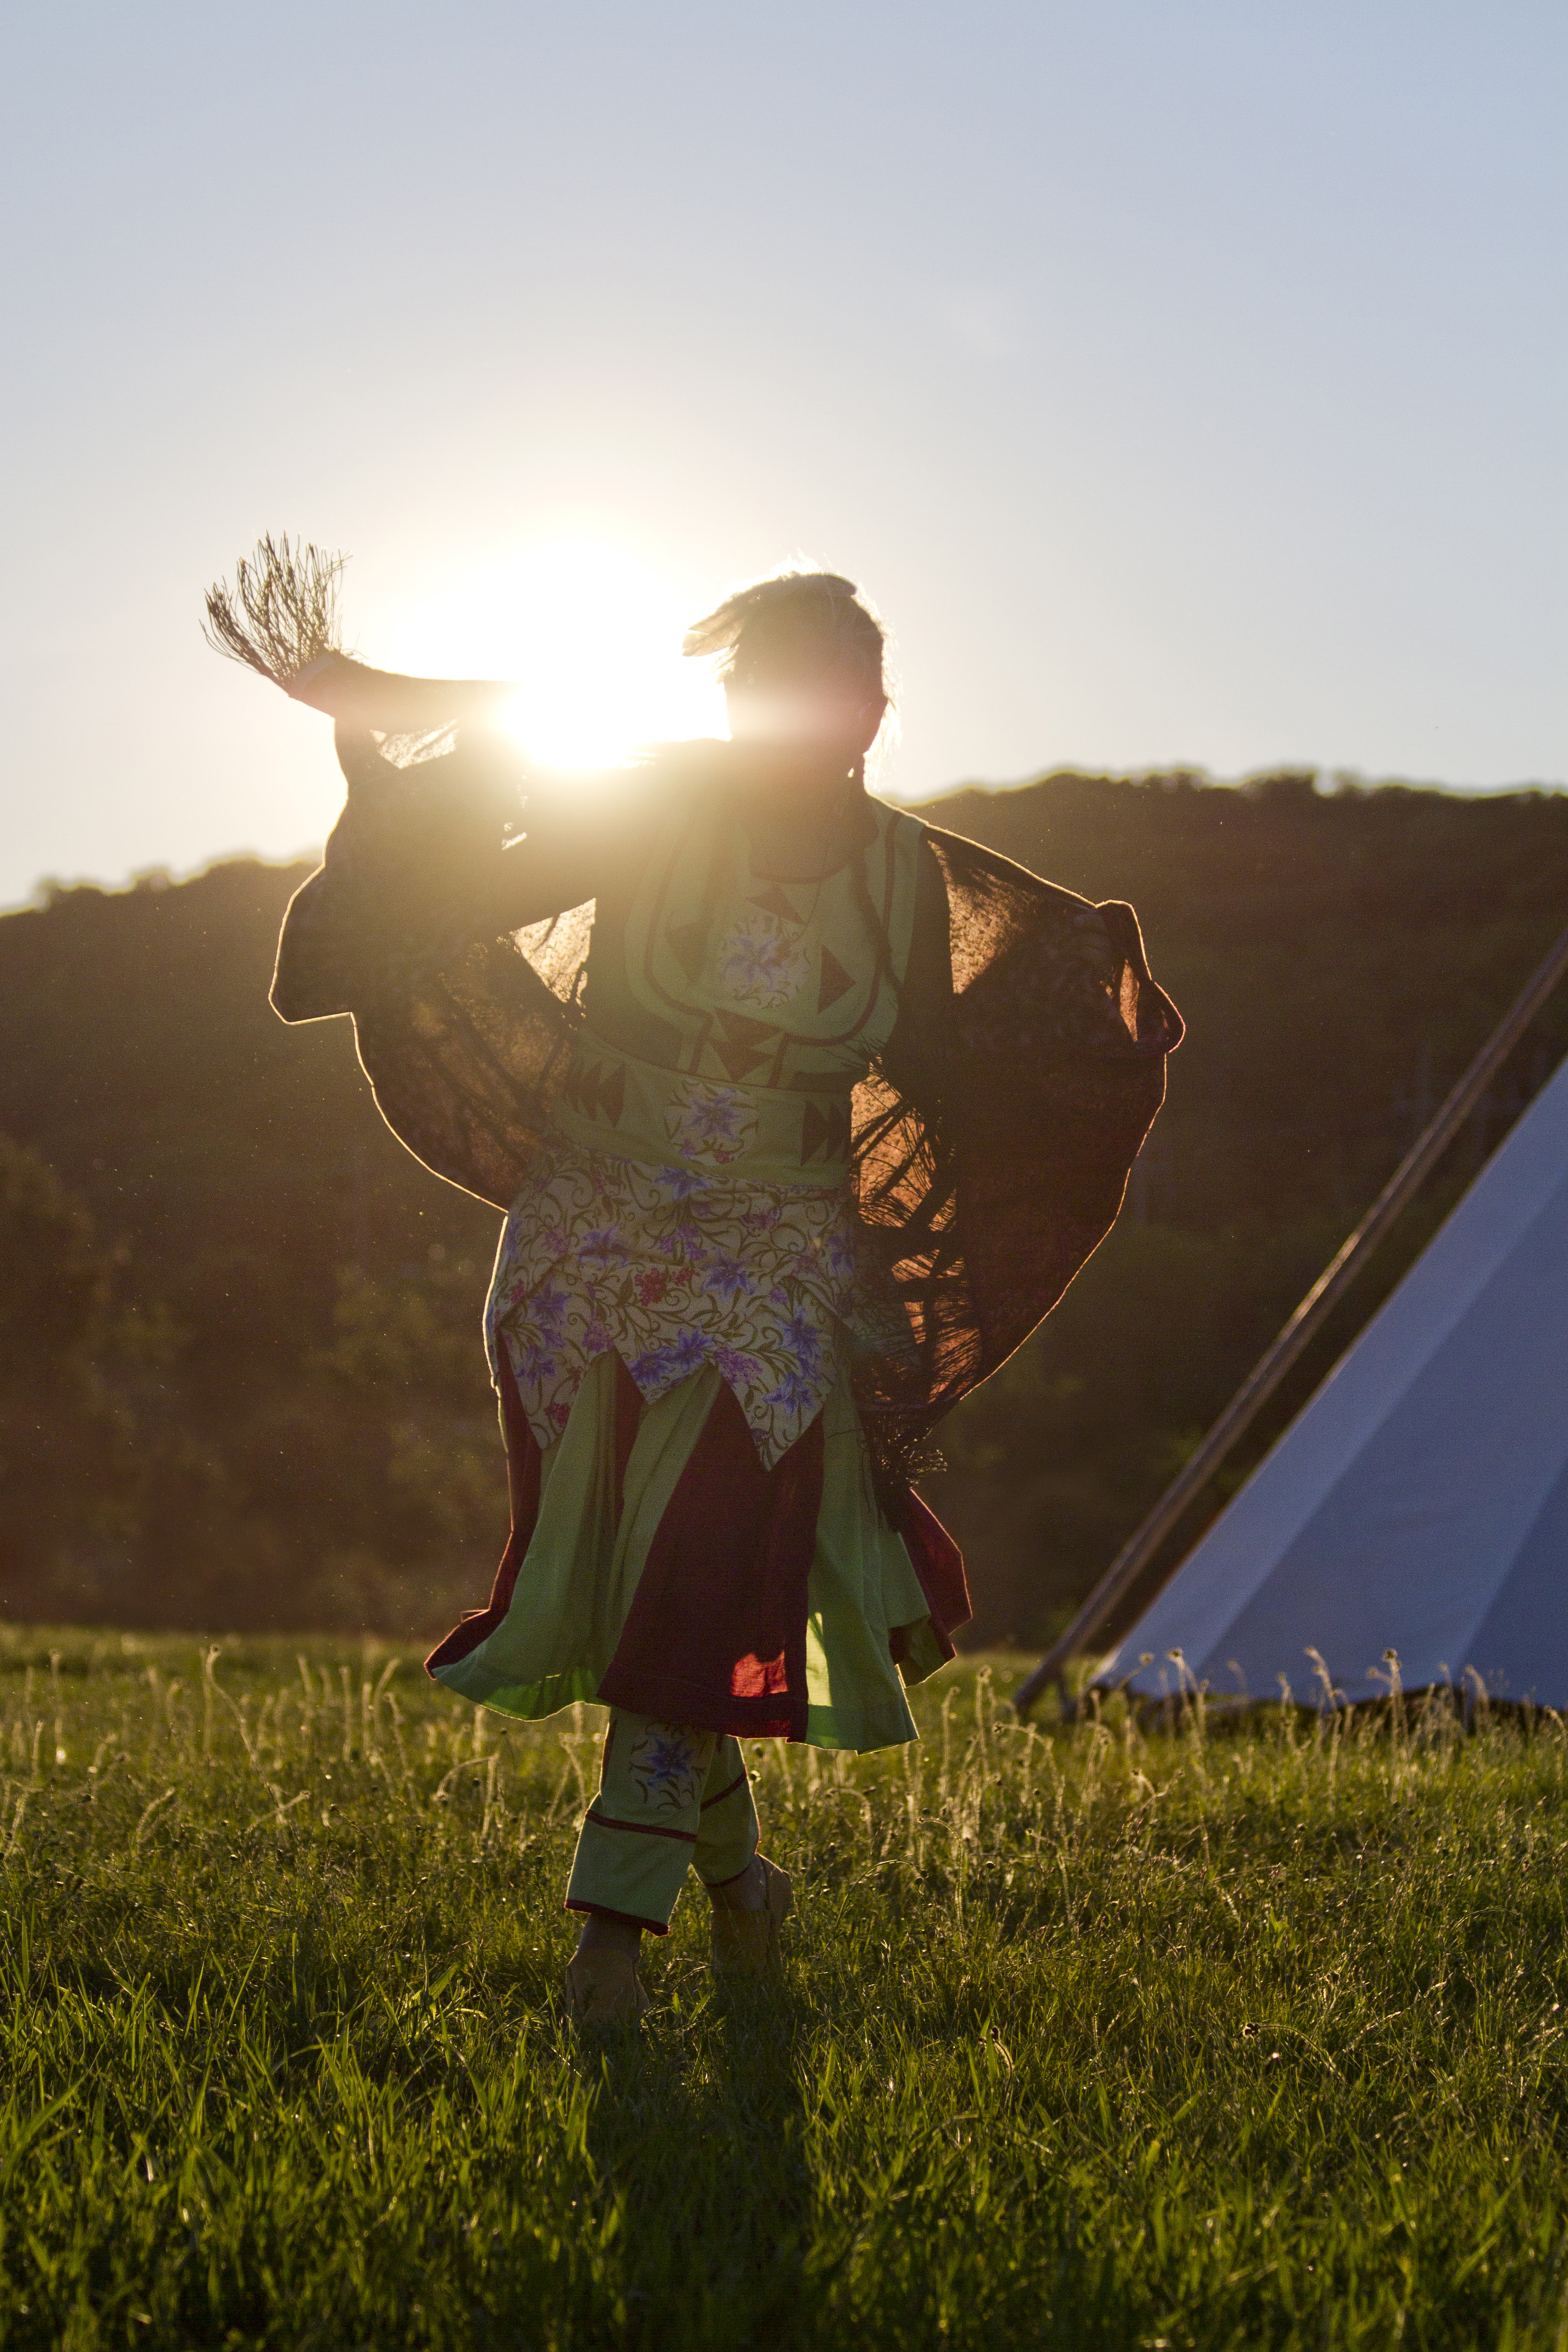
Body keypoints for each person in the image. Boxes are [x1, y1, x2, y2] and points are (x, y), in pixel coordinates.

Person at [210, 547, 1181, 2025]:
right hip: (589, 1238)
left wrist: (1059, 1072)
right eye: (759, 691)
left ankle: (611, 1929)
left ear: (872, 710)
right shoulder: (654, 799)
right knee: (645, 1579)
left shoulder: (903, 877)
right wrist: (390, 721)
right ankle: (740, 1884)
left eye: (825, 695)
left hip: (778, 1256)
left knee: (703, 1553)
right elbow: (456, 866)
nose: (793, 720)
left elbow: (933, 1065)